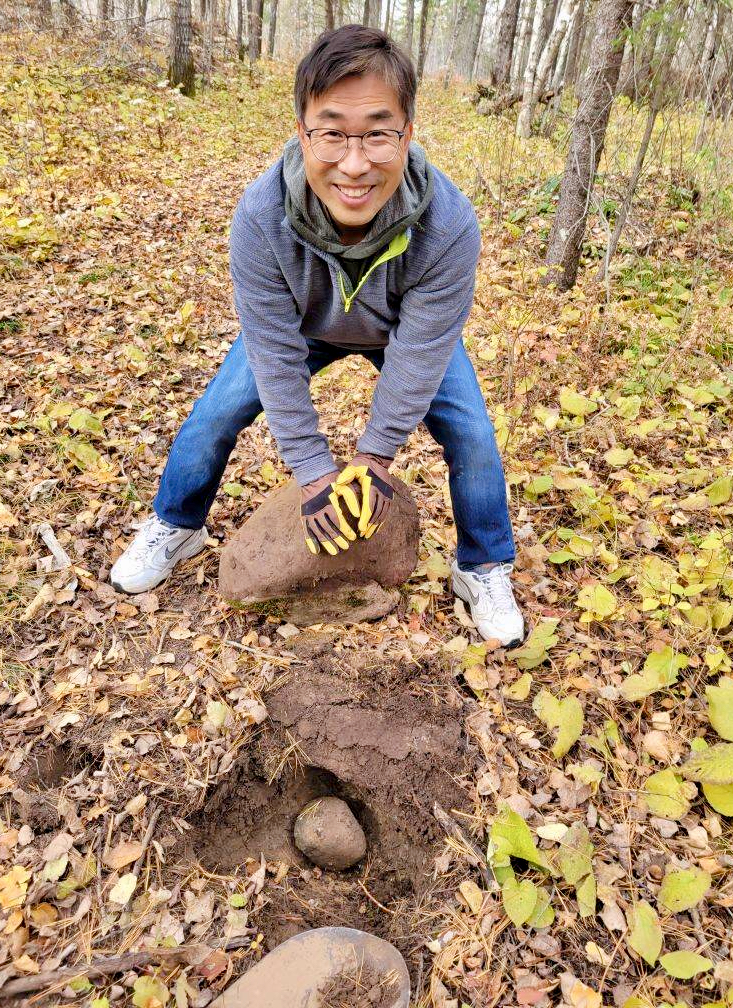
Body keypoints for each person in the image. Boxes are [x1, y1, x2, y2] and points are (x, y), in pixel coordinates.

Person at [110, 25, 524, 647]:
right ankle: (177, 523)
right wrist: (311, 471)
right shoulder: (261, 215)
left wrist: (374, 457)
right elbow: (273, 351)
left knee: (471, 432)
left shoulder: (449, 225)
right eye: (331, 133)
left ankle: (483, 566)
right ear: (302, 133)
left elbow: (420, 352)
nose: (354, 164)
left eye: (378, 134)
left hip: (401, 332)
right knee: (217, 411)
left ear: (408, 133)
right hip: (304, 329)